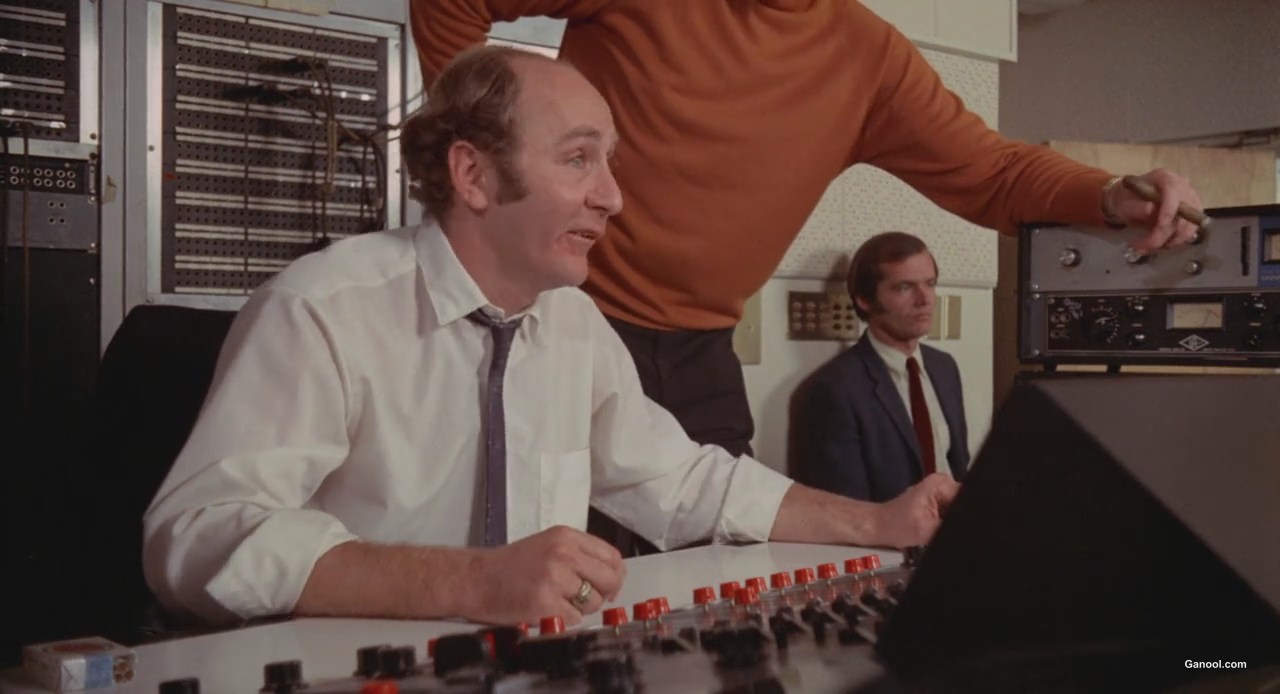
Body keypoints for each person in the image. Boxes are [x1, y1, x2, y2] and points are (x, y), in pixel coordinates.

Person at [142, 46, 959, 630]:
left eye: (609, 163)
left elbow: (684, 482)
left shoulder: (572, 321)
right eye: (578, 160)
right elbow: (197, 537)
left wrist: (878, 523)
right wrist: (471, 582)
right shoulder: (323, 308)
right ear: (474, 175)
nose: (612, 197)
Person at [409, 0, 1204, 473]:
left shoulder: (868, 56)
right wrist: (491, 139)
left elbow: (992, 172)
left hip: (701, 353)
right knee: (536, 569)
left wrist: (1106, 196)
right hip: (560, 320)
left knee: (702, 585)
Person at [793, 232, 968, 502]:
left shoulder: (944, 368)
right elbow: (844, 508)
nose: (924, 299)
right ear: (864, 299)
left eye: (930, 284)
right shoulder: (834, 390)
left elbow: (958, 469)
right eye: (904, 288)